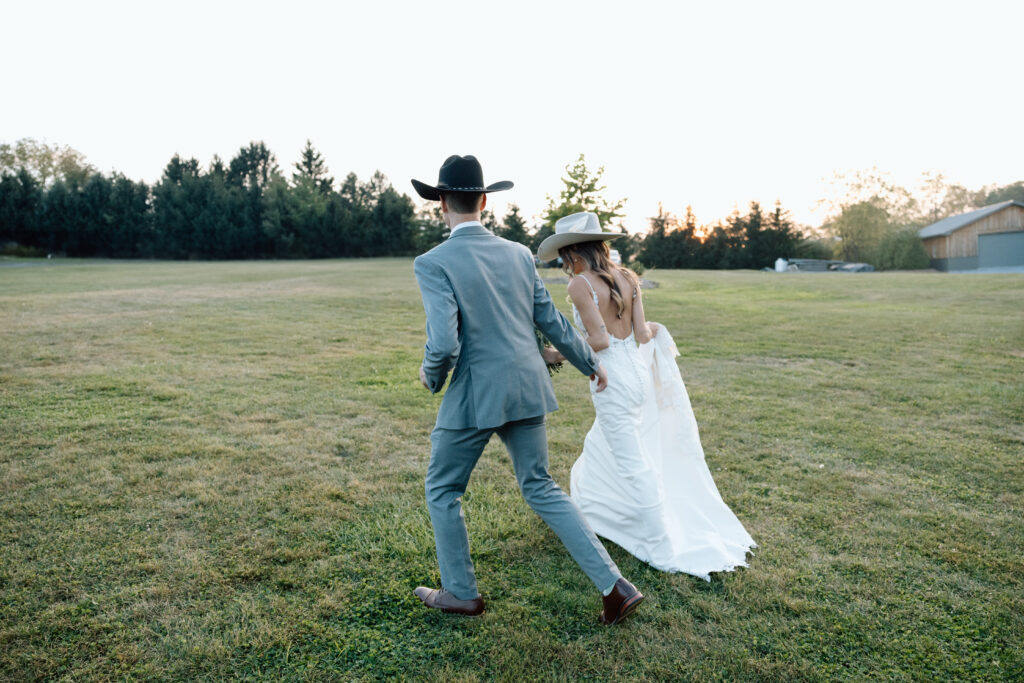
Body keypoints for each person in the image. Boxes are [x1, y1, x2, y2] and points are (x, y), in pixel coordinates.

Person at [410, 156, 644, 625]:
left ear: (441, 205)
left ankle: (461, 593)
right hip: (526, 386)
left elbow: (444, 342)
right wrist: (588, 363)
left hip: (477, 393)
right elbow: (550, 321)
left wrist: (431, 376)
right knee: (540, 485)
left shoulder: (432, 262)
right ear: (483, 201)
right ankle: (615, 585)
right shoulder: (518, 253)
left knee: (442, 488)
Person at [536, 212, 756, 579]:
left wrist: (553, 354)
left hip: (611, 380)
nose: (563, 263)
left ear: (574, 250)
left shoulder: (579, 284)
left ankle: (660, 540)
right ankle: (594, 512)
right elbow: (641, 335)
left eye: (563, 254)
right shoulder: (629, 278)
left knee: (631, 460)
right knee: (601, 445)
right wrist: (657, 330)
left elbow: (599, 341)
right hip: (637, 373)